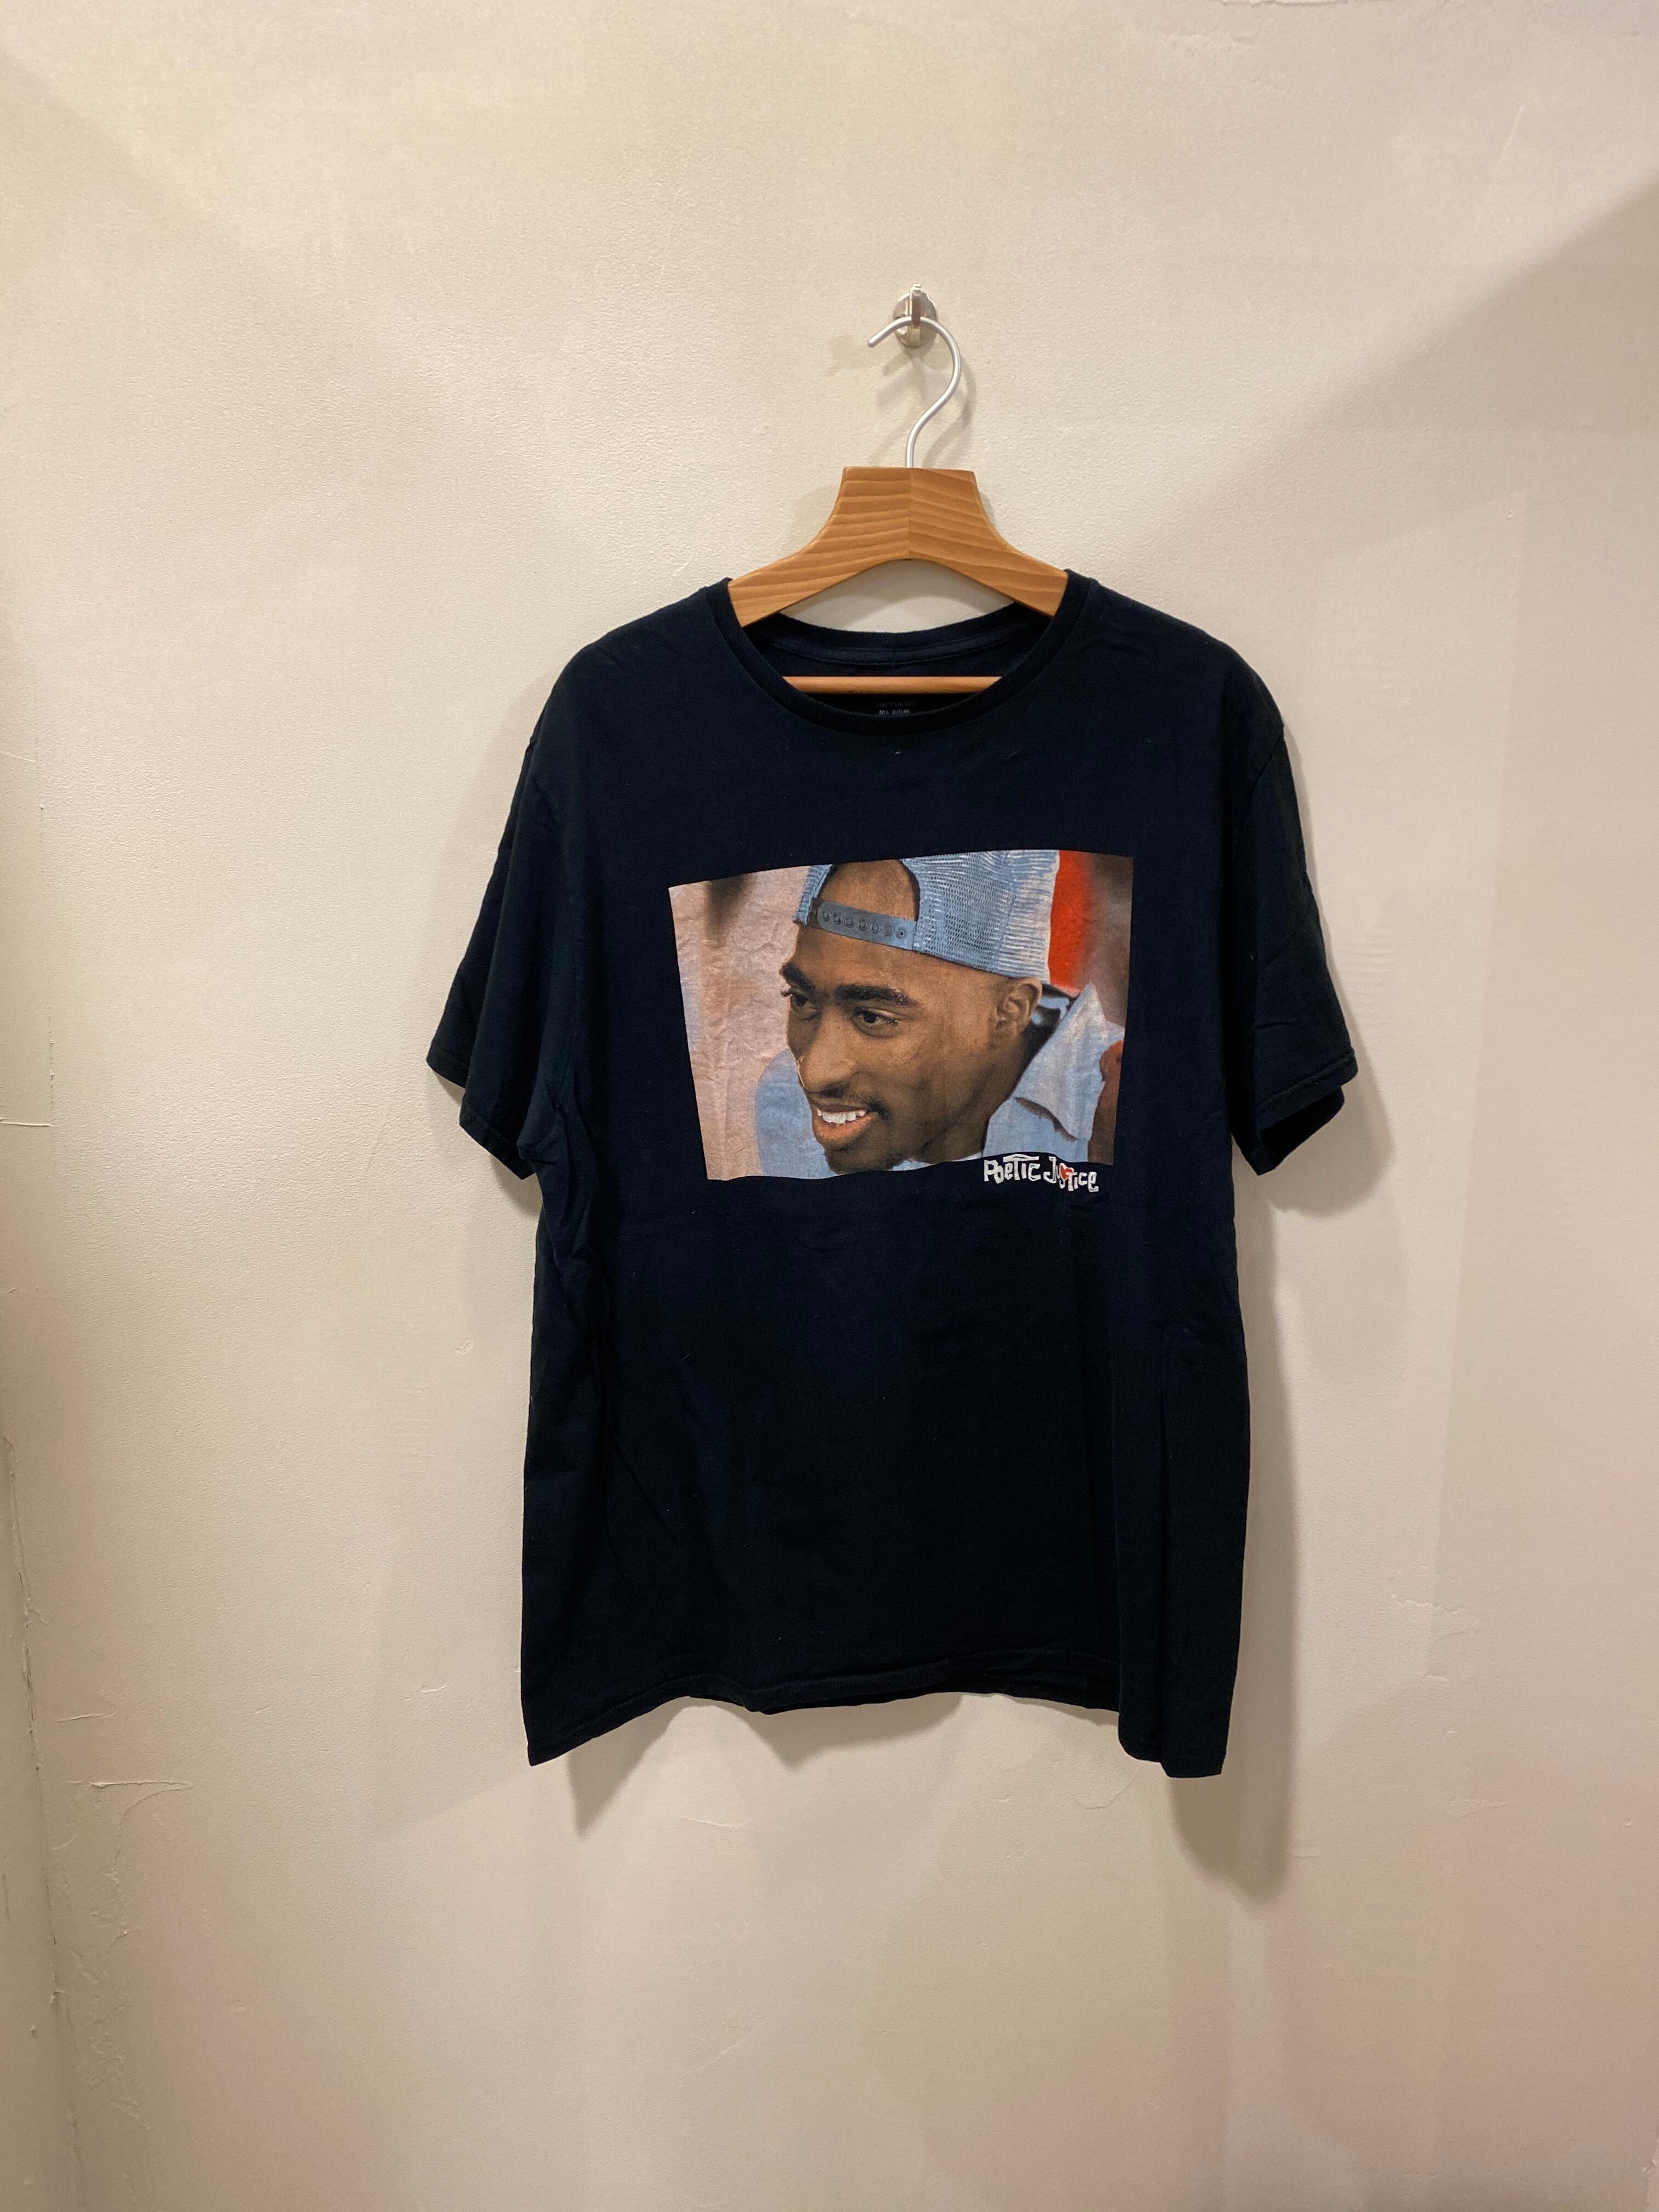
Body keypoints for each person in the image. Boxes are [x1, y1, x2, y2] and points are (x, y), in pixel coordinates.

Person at [753, 850, 1125, 1177]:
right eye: (802, 1000)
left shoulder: (1113, 1108)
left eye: (871, 1018)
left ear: (1010, 1012)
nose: (813, 1074)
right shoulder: (785, 1099)